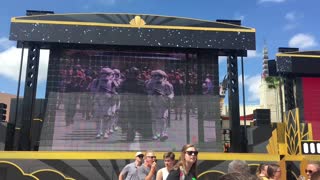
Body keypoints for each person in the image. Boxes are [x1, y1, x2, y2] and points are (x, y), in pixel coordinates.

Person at [146, 70, 174, 141]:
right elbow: (147, 93)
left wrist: (162, 94)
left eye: (159, 76)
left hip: (163, 104)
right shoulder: (150, 84)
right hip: (153, 103)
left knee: (163, 119)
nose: (157, 77)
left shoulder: (167, 85)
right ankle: (155, 134)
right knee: (154, 119)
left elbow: (171, 95)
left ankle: (163, 134)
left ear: (163, 77)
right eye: (155, 76)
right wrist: (153, 93)